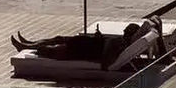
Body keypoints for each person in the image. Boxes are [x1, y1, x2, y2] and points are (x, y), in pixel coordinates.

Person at [12, 22, 151, 70]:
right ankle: (30, 43)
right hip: (83, 44)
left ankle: (25, 47)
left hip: (81, 52)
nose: (123, 32)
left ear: (130, 34)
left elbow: (106, 63)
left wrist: (104, 43)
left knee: (50, 51)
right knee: (58, 38)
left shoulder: (121, 46)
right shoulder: (122, 42)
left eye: (126, 31)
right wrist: (100, 38)